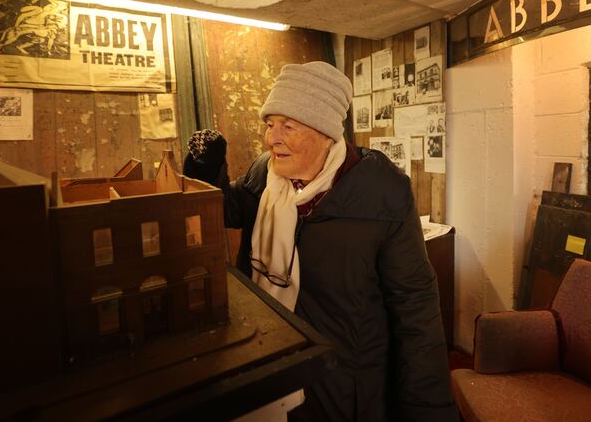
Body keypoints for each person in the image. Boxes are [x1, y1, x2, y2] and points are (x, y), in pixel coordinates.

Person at [184, 61, 457, 421]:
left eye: (288, 126)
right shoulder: (266, 172)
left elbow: (415, 305)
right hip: (267, 358)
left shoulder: (381, 193)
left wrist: (427, 408)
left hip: (341, 383)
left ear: (326, 132)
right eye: (270, 124)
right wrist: (205, 168)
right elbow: (228, 210)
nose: (271, 138)